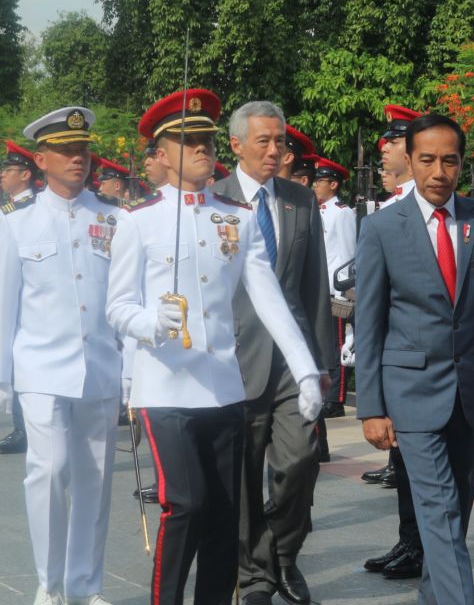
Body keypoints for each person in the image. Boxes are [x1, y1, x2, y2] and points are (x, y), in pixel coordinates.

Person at [106, 89, 324, 605]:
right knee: (185, 504)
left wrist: (306, 368)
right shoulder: (136, 220)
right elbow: (116, 307)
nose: (201, 148)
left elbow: (269, 298)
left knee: (225, 515)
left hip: (224, 386)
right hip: (166, 387)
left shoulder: (236, 217)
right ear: (161, 153)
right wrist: (149, 321)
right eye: (187, 140)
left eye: (204, 138)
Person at [356, 112, 474, 605]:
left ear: (462, 163)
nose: (439, 171)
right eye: (427, 160)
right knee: (438, 513)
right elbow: (370, 321)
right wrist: (371, 406)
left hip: (472, 392)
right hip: (411, 393)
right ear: (410, 161)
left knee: (452, 518)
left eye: (450, 160)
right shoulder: (381, 228)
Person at [209, 102, 335, 605]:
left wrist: (320, 364)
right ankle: (257, 575)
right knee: (241, 476)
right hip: (233, 360)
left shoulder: (300, 202)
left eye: (279, 141)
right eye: (263, 141)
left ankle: (283, 553)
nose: (274, 150)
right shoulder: (211, 201)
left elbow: (315, 289)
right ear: (236, 145)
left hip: (292, 364)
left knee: (300, 461)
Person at [0, 107, 123, 605]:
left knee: (94, 479)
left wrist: (132, 373)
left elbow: (126, 299)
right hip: (41, 368)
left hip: (100, 367)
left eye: (84, 149)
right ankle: (50, 586)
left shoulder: (116, 219)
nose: (80, 158)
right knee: (47, 472)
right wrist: (3, 386)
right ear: (42, 159)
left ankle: (85, 585)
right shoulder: (15, 226)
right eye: (68, 151)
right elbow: (4, 308)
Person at [359, 103, 424, 584]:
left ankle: (420, 545)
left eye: (392, 141)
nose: (383, 149)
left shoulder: (421, 208)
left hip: (418, 358)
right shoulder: (389, 207)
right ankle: (411, 540)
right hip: (393, 355)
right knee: (401, 460)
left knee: (416, 464)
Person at [0, 140, 38, 456]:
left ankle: (23, 429)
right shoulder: (10, 210)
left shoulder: (24, 211)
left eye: (8, 170)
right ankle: (22, 427)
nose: (2, 175)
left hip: (26, 299)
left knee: (18, 361)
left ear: (25, 174)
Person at [313, 157, 357, 420]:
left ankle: (336, 398)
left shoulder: (342, 213)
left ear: (334, 184)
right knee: (323, 345)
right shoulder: (317, 210)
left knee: (337, 344)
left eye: (320, 181)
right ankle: (327, 393)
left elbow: (349, 253)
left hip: (335, 289)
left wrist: (345, 290)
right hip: (320, 288)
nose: (316, 185)